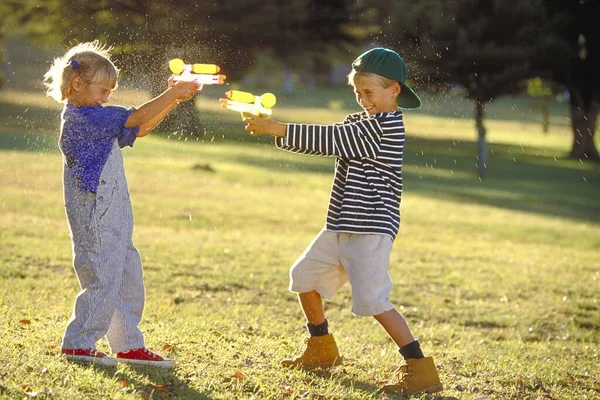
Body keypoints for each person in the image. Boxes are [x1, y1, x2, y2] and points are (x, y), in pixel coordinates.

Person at [243, 48, 443, 395]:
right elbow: (327, 141)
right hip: (339, 226)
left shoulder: (387, 127)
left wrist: (277, 127)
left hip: (370, 230)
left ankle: (420, 367)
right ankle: (321, 347)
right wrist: (276, 131)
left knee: (374, 301)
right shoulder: (360, 122)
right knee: (303, 276)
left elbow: (334, 139)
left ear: (394, 90)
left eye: (369, 93)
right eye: (357, 92)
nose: (363, 99)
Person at [44, 41, 199, 367]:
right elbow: (138, 116)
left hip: (114, 211)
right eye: (103, 89)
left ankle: (128, 344)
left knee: (126, 272)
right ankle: (79, 342)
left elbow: (141, 127)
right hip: (95, 212)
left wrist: (173, 100)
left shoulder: (98, 115)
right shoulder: (83, 118)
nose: (108, 95)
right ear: (76, 85)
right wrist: (171, 94)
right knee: (102, 273)